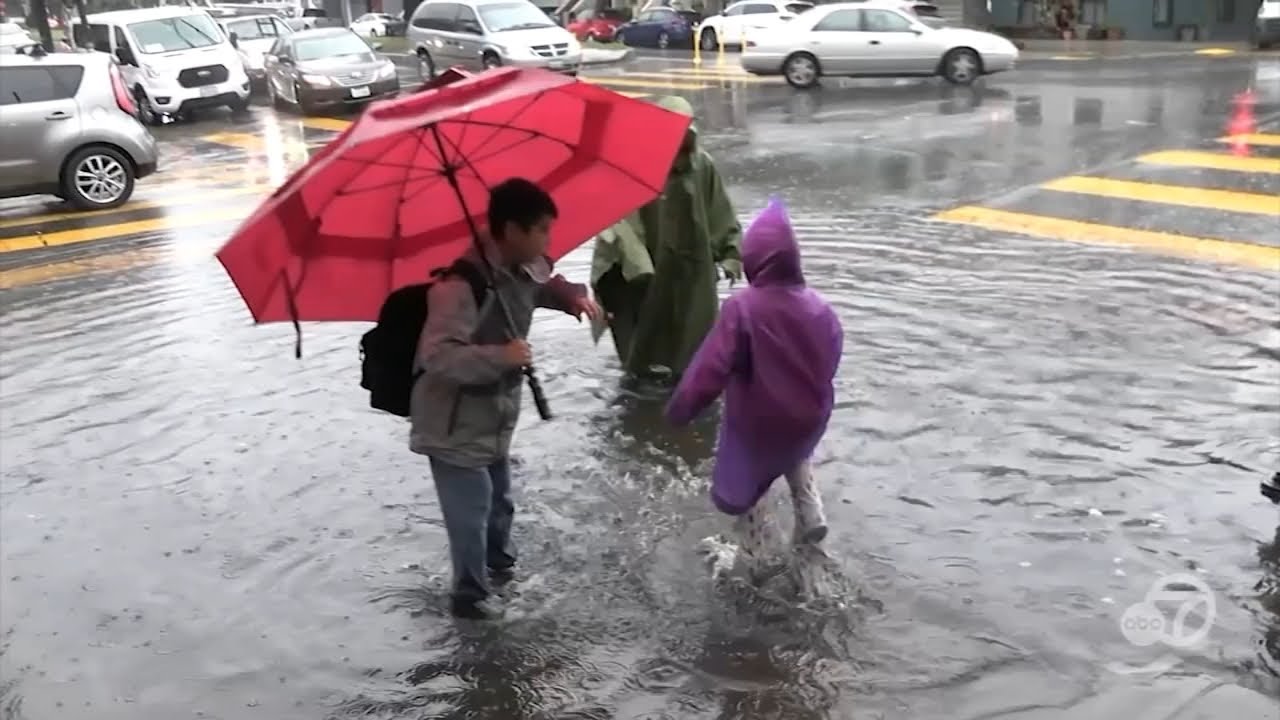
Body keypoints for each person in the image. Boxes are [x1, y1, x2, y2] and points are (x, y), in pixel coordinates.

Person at [411, 178, 603, 620]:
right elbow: (437, 356)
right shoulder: (458, 286)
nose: (548, 241)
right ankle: (469, 599)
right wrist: (503, 356)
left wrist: (572, 298)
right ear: (513, 230)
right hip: (451, 424)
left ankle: (501, 572)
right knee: (472, 510)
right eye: (542, 231)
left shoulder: (522, 266)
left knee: (500, 501)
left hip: (493, 417)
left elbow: (545, 283)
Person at [666, 196, 843, 567]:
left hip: (758, 421)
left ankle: (758, 554)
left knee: (747, 476)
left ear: (755, 259)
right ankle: (810, 513)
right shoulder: (820, 307)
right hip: (808, 414)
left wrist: (682, 409)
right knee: (795, 450)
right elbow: (832, 353)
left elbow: (710, 368)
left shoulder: (743, 307)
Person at [590, 95, 742, 380]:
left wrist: (730, 256)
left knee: (693, 345)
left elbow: (720, 212)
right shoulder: (634, 166)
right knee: (642, 348)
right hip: (644, 276)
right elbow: (617, 226)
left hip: (692, 271)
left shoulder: (701, 166)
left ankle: (687, 389)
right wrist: (637, 267)